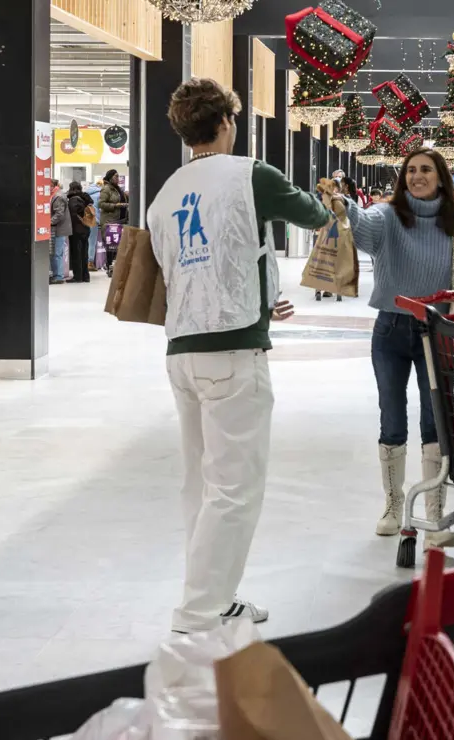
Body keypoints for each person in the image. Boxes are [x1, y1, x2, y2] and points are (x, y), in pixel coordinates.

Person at [148, 78, 330, 634]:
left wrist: (255, 290)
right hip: (231, 350)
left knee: (200, 483)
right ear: (227, 122)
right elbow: (315, 216)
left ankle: (214, 596)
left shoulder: (167, 192)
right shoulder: (251, 173)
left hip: (182, 350)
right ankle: (200, 612)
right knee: (235, 487)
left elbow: (179, 266)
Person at [325, 148, 454, 547]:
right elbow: (363, 224)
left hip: (437, 332)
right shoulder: (389, 216)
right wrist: (343, 205)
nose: (417, 176)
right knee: (392, 420)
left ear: (441, 177)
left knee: (435, 424)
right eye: (411, 170)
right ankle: (394, 507)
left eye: (425, 169)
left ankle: (433, 518)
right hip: (391, 330)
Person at [99, 170, 129, 271]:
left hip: (119, 221)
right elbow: (101, 204)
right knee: (110, 246)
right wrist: (116, 205)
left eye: (118, 176)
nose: (118, 178)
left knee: (117, 246)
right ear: (110, 177)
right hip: (109, 221)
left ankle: (115, 266)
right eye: (116, 176)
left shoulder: (118, 189)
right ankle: (109, 266)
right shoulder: (106, 189)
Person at [66, 180, 94, 283]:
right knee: (84, 252)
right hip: (86, 228)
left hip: (76, 229)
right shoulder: (86, 198)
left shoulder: (73, 199)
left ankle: (77, 276)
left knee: (76, 253)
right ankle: (85, 276)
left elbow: (73, 215)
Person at [49, 180, 72, 284]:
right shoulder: (55, 195)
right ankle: (56, 274)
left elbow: (59, 214)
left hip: (59, 229)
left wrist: (48, 222)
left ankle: (58, 276)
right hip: (57, 228)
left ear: (52, 186)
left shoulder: (57, 196)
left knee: (57, 253)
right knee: (55, 253)